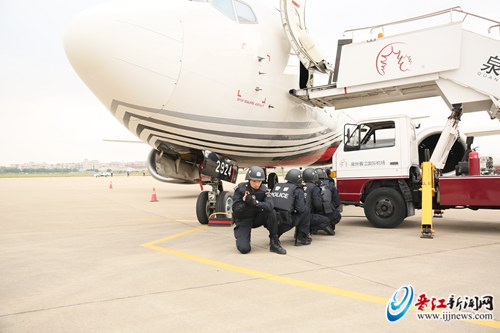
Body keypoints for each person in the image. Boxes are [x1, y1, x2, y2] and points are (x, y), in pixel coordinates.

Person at [232, 166, 286, 255]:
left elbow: (270, 206)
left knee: (271, 212)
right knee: (244, 249)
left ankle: (274, 243)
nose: (257, 184)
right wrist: (245, 203)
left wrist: (255, 203)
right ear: (249, 180)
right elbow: (236, 211)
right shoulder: (241, 189)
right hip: (244, 219)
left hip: (257, 217)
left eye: (259, 181)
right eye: (254, 181)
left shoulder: (264, 189)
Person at [271, 169, 311, 246]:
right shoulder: (297, 190)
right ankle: (301, 238)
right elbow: (300, 208)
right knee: (305, 211)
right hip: (285, 219)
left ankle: (274, 237)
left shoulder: (277, 186)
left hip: (272, 219)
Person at [302, 168, 335, 235]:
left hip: (296, 215)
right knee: (326, 219)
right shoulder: (315, 187)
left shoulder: (299, 186)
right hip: (308, 215)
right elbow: (318, 205)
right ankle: (312, 229)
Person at [316, 168, 342, 232]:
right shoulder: (331, 185)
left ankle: (315, 227)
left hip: (315, 215)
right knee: (337, 214)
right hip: (329, 214)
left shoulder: (311, 186)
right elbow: (337, 202)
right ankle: (329, 225)